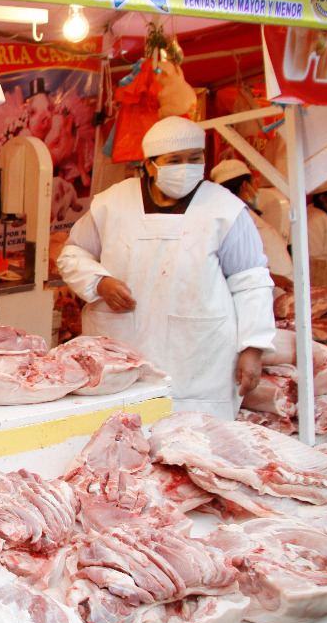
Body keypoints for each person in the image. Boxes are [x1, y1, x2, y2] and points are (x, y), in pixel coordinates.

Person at [56, 116, 275, 419]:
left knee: (194, 448)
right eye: (175, 160)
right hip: (123, 354)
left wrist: (253, 348)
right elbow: (73, 253)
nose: (186, 168)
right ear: (149, 164)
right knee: (119, 443)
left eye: (194, 159)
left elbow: (251, 281)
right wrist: (100, 283)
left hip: (201, 359)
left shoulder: (226, 209)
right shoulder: (112, 203)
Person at [210, 158, 294, 292]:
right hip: (262, 293)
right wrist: (272, 277)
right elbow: (233, 266)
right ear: (245, 186)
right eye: (254, 184)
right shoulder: (232, 218)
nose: (257, 190)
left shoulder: (243, 214)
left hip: (276, 293)